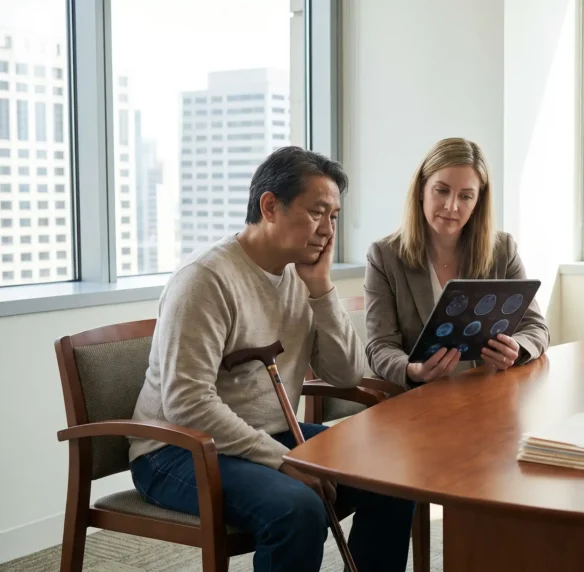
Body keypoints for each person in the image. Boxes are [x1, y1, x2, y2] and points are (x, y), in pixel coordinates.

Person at [127, 146, 415, 572]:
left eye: (334, 217)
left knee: (393, 472)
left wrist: (321, 289)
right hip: (177, 450)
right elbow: (187, 404)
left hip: (274, 434)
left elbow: (346, 373)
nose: (327, 230)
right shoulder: (205, 281)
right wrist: (281, 461)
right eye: (317, 212)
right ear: (269, 206)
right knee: (297, 509)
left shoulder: (302, 273)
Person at [364, 137, 549, 387]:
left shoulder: (503, 250)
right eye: (441, 191)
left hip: (487, 396)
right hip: (416, 405)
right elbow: (380, 346)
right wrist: (412, 370)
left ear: (477, 202)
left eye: (466, 196)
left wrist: (517, 349)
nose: (452, 206)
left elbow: (536, 327)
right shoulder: (384, 256)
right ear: (421, 189)